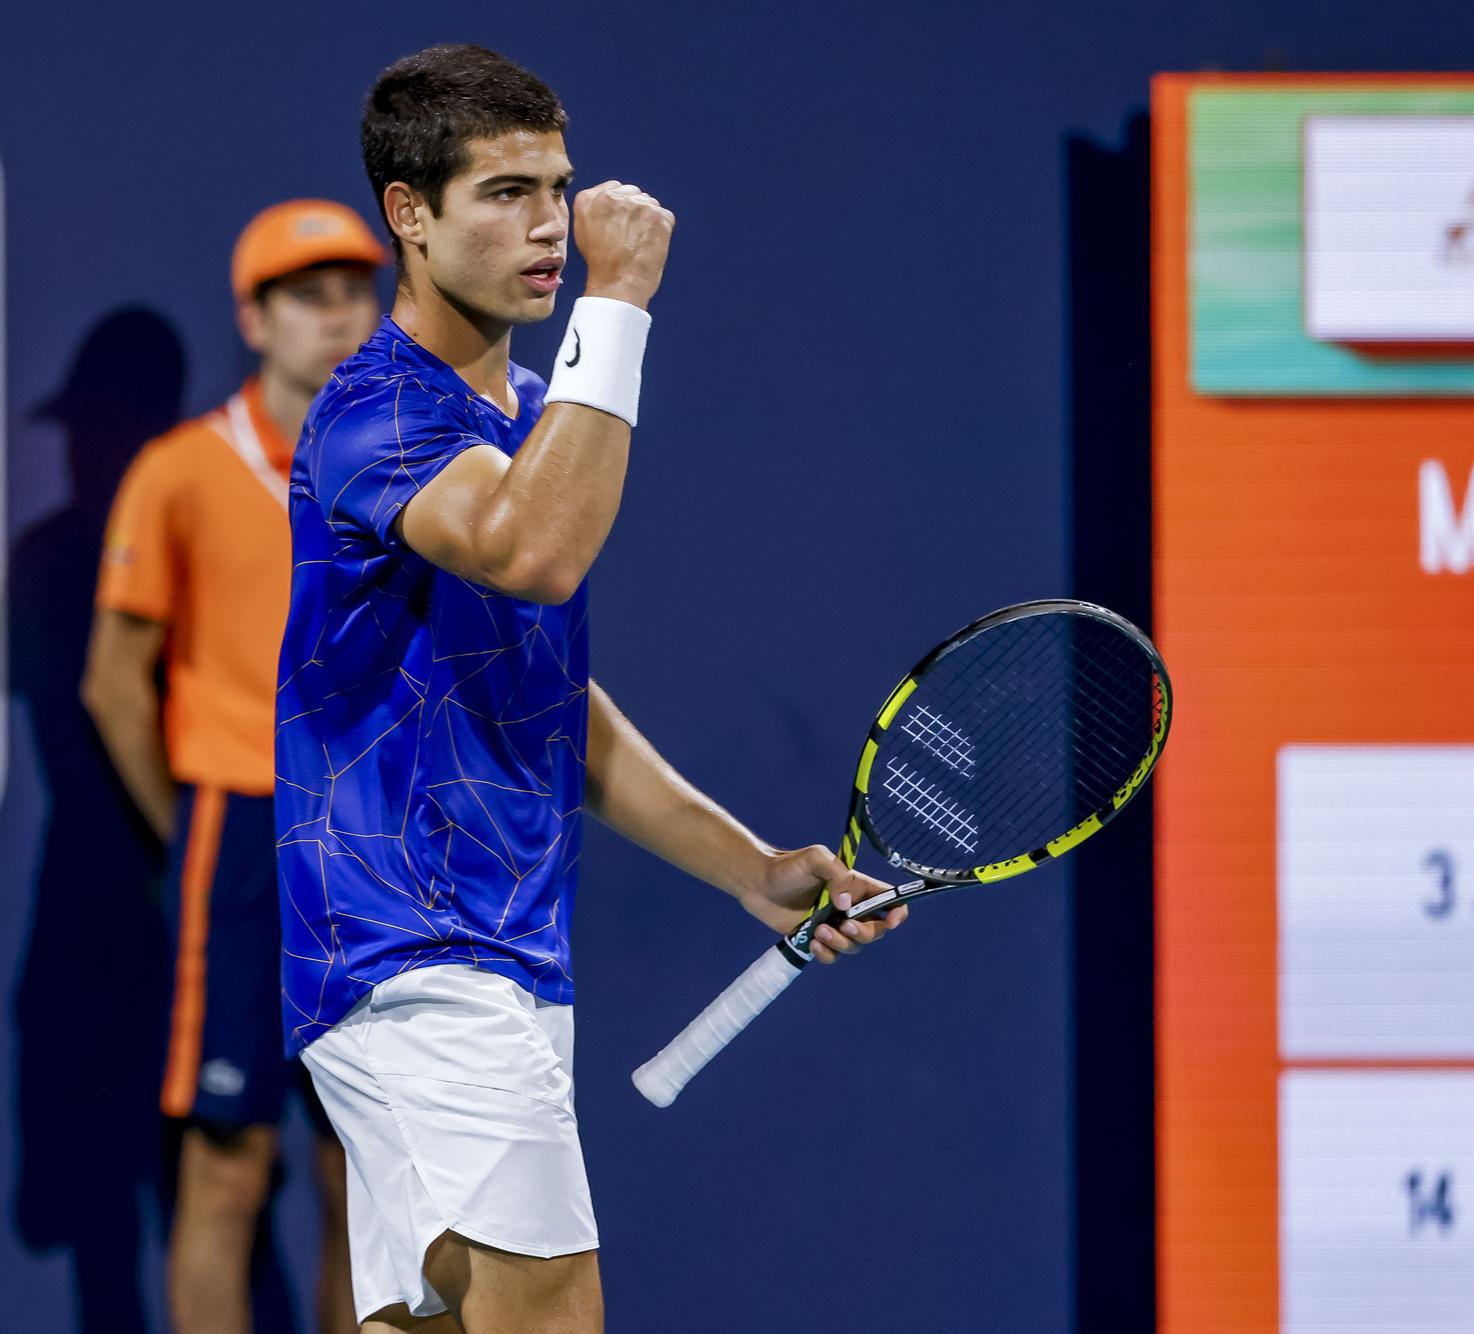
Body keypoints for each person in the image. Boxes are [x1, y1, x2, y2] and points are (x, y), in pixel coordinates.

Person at [274, 45, 906, 1334]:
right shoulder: (373, 416)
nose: (551, 223)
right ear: (409, 213)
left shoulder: (512, 414)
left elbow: (549, 698)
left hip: (475, 959)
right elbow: (532, 552)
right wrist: (615, 308)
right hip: (421, 956)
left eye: (556, 187)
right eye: (503, 192)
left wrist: (747, 865)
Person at [83, 199, 386, 1334]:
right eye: (307, 296)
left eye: (353, 290)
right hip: (243, 835)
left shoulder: (414, 473)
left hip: (378, 844)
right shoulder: (179, 472)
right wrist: (196, 833)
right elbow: (115, 682)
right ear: (253, 319)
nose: (337, 316)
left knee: (366, 1172)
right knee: (226, 1162)